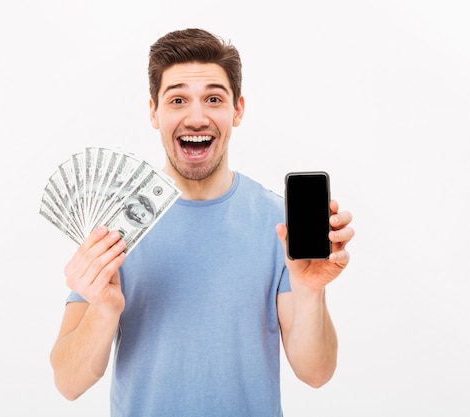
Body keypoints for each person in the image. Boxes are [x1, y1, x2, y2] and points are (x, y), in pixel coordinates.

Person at [50, 28, 355, 417]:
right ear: (154, 112)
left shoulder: (280, 225)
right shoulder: (114, 228)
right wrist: (104, 308)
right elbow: (67, 382)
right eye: (177, 99)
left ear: (237, 110)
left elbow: (316, 373)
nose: (196, 117)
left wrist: (309, 289)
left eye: (214, 98)